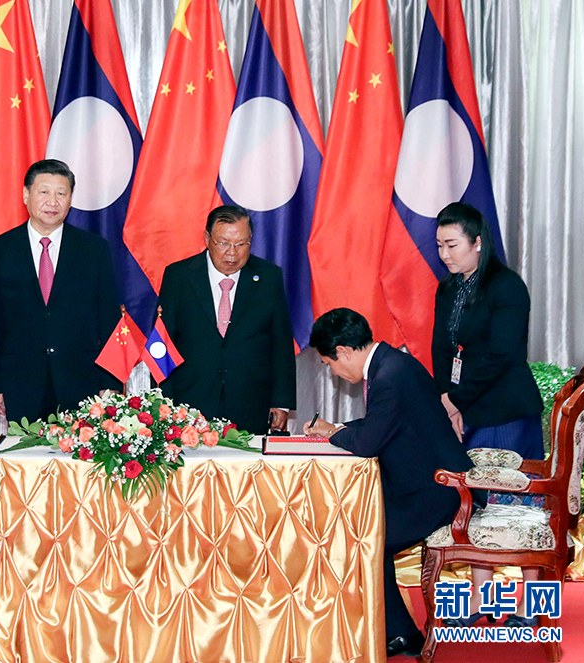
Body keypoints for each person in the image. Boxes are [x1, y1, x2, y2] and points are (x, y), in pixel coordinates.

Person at [305, 308, 479, 658]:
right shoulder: (392, 364)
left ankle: (400, 633)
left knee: (362, 539)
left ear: (343, 351)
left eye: (329, 364)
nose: (333, 372)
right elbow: (382, 423)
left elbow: (368, 443)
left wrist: (333, 432)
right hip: (428, 484)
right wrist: (337, 430)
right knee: (361, 530)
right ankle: (399, 632)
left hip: (439, 493)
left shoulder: (388, 376)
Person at [433, 201, 545, 627]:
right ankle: (482, 599)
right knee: (477, 503)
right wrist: (445, 397)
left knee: (517, 503)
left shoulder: (507, 287)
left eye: (452, 245)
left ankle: (532, 605)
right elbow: (441, 348)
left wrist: (456, 400)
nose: (444, 254)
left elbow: (501, 355)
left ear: (477, 243)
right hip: (468, 407)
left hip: (505, 411)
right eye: (440, 245)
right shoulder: (448, 288)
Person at [0, 159, 121, 424]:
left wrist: (110, 382)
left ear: (70, 199)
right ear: (26, 195)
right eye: (44, 192)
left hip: (82, 383)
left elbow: (110, 321)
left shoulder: (94, 250)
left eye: (61, 193)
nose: (52, 202)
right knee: (25, 451)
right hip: (20, 383)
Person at [156, 204, 295, 434]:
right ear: (207, 239)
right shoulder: (179, 276)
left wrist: (281, 401)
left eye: (241, 244)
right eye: (223, 243)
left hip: (251, 402)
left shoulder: (269, 277)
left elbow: (281, 342)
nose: (232, 253)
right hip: (190, 403)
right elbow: (163, 342)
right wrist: (163, 402)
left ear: (250, 240)